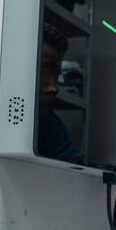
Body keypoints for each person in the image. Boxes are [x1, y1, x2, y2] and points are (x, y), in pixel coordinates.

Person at [35, 23, 82, 164]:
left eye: (56, 74)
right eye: (46, 70)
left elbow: (72, 163)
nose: (53, 88)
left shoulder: (47, 120)